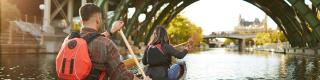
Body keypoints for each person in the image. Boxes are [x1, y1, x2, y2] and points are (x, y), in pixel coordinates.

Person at [77, 3, 137, 80]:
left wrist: (112, 31)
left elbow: (91, 38)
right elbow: (121, 76)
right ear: (98, 19)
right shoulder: (106, 44)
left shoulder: (71, 40)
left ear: (81, 21)